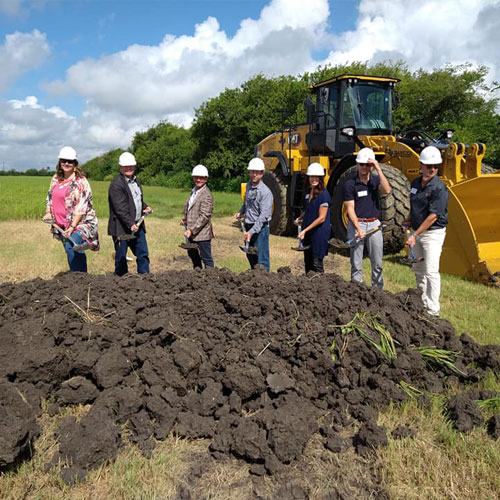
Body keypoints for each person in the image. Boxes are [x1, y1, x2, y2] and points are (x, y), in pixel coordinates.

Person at [403, 146, 449, 317]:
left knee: (431, 271)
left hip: (432, 234)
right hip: (417, 231)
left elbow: (433, 216)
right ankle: (421, 303)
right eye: (429, 166)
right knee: (418, 270)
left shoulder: (439, 188)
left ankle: (433, 310)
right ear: (421, 165)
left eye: (435, 166)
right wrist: (410, 219)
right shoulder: (415, 184)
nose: (432, 169)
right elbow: (416, 206)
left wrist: (415, 235)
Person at [43, 146, 99, 272]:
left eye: (70, 161)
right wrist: (48, 213)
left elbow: (82, 206)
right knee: (73, 251)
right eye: (64, 160)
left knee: (71, 246)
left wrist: (72, 227)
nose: (66, 163)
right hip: (61, 225)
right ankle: (80, 279)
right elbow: (49, 197)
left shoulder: (81, 181)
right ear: (60, 162)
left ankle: (77, 279)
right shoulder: (55, 178)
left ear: (75, 163)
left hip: (81, 223)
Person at [343, 147, 391, 289]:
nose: (365, 167)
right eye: (362, 164)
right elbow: (350, 209)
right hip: (357, 225)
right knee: (356, 263)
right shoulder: (350, 184)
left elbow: (387, 190)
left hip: (374, 225)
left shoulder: (375, 181)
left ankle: (377, 291)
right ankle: (357, 290)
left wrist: (378, 168)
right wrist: (358, 228)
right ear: (357, 165)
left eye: (368, 165)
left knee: (377, 263)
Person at [108, 152, 152, 276]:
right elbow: (120, 208)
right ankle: (121, 281)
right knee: (121, 256)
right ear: (120, 167)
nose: (129, 168)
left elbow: (136, 199)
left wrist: (145, 207)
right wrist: (130, 223)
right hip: (122, 227)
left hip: (138, 224)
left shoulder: (136, 181)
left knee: (143, 254)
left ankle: (145, 279)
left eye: (131, 166)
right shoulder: (116, 184)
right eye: (125, 166)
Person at [233, 158, 272, 271]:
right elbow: (247, 204)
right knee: (251, 256)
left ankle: (264, 283)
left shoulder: (265, 192)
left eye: (257, 172)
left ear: (261, 173)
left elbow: (263, 215)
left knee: (262, 260)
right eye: (252, 171)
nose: (254, 174)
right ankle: (254, 280)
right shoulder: (249, 186)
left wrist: (251, 232)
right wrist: (241, 212)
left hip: (260, 229)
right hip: (249, 226)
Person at [296, 163, 331, 273]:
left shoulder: (324, 195)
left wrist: (305, 230)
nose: (314, 179)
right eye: (312, 176)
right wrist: (301, 217)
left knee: (316, 262)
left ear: (321, 178)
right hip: (309, 232)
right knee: (308, 261)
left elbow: (321, 218)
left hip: (319, 233)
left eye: (317, 177)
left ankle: (320, 285)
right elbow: (310, 209)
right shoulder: (308, 192)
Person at [182, 164, 215, 268]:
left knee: (206, 259)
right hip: (191, 233)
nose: (198, 179)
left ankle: (211, 279)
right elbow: (191, 209)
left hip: (202, 235)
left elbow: (204, 216)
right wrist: (186, 220)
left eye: (201, 178)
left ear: (206, 179)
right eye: (196, 177)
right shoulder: (194, 191)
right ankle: (198, 278)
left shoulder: (206, 195)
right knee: (193, 257)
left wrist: (191, 230)